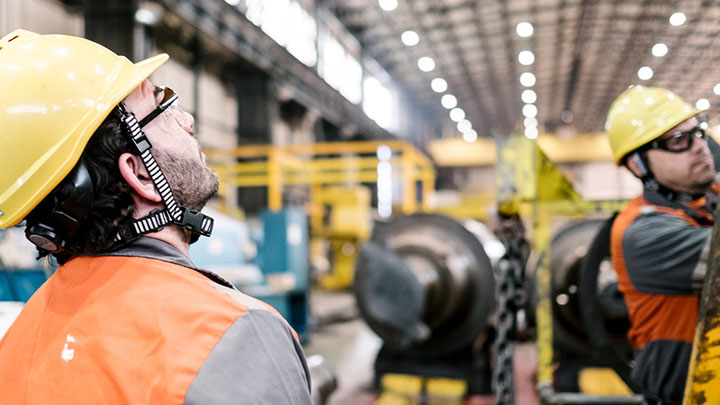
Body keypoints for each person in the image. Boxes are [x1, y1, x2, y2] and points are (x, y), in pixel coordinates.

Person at [0, 29, 312, 404]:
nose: (189, 120)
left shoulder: (17, 341)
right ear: (141, 173)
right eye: (164, 108)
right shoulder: (232, 336)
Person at [606, 85, 720, 404]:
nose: (699, 146)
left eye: (697, 133)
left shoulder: (707, 200)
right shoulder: (641, 232)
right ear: (637, 165)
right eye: (678, 141)